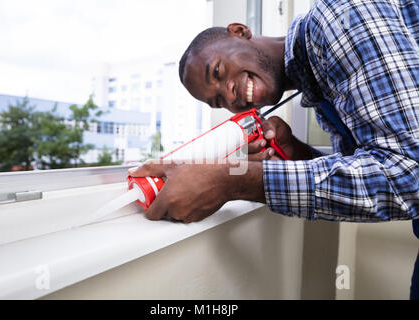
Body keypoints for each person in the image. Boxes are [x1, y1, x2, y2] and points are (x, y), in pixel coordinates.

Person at [129, 0, 418, 298]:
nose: (229, 97)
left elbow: (411, 176)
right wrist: (294, 152)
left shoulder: (340, 17)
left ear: (240, 31)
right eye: (218, 102)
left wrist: (232, 181)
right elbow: (367, 175)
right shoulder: (322, 91)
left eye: (217, 71)